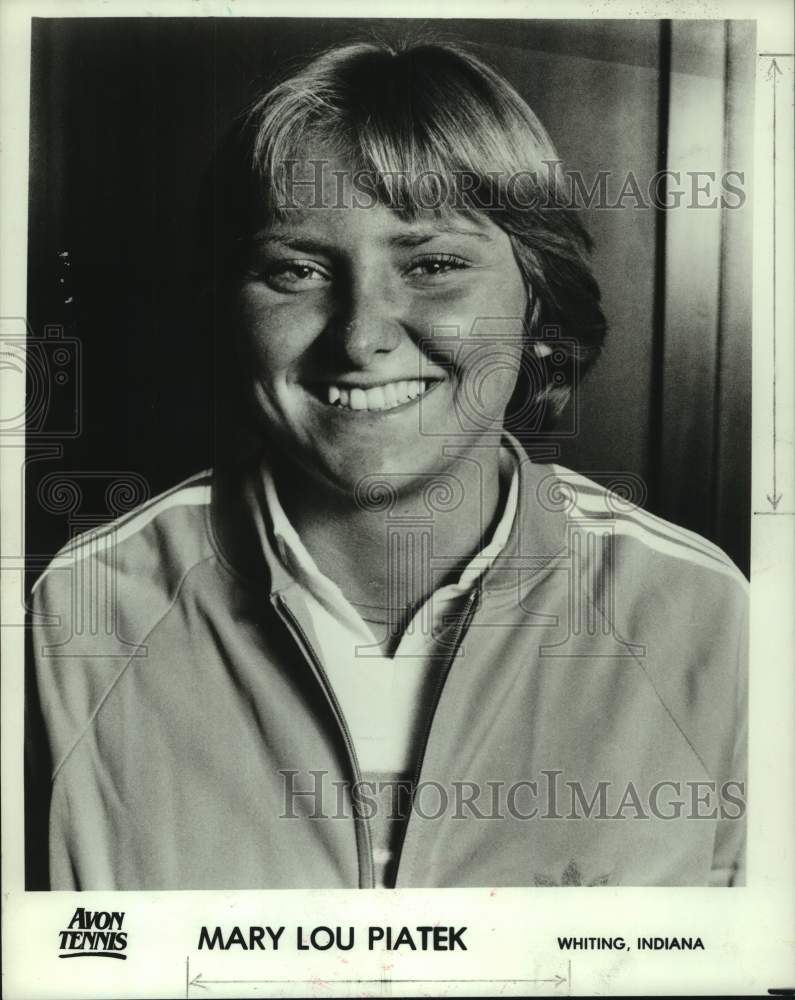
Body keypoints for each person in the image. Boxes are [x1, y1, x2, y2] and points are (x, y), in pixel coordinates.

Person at [27, 39, 748, 890]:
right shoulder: (79, 612)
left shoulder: (702, 614)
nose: (361, 336)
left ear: (537, 299)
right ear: (226, 311)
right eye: (295, 270)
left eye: (433, 265)